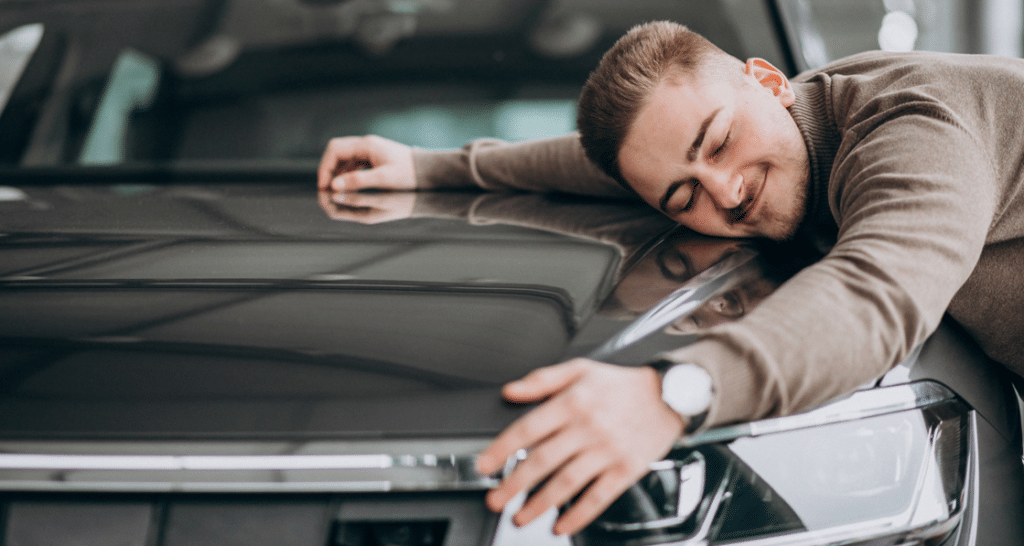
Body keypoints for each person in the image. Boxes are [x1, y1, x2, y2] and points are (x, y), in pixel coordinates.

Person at [317, 21, 1024, 535]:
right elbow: (594, 165)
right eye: (682, 200)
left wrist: (672, 392)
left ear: (771, 83)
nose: (724, 189)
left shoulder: (913, 128)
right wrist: (430, 168)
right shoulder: (780, 127)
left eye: (718, 142)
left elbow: (879, 293)